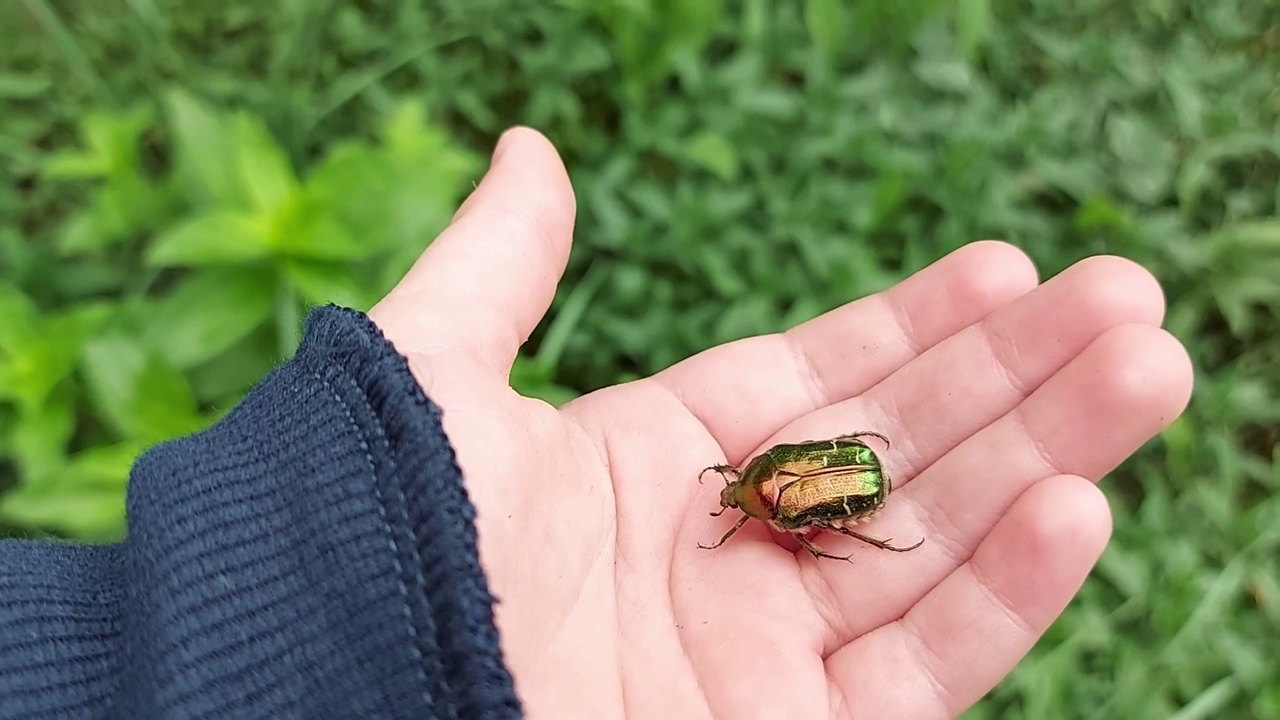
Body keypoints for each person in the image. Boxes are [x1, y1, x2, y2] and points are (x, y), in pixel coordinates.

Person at [0, 127, 1193, 719]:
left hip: (843, 487)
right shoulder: (763, 486)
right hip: (834, 482)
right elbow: (791, 482)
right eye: (734, 496)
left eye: (734, 498)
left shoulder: (776, 491)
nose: (729, 502)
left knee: (849, 511)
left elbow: (805, 489)